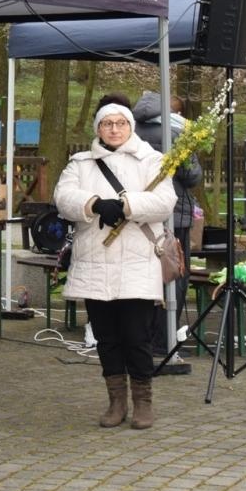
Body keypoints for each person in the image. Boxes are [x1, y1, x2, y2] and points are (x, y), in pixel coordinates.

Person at [54, 101, 176, 429]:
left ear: (130, 126)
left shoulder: (151, 160)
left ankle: (143, 401)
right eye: (107, 123)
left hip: (137, 262)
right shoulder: (80, 163)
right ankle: (116, 401)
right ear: (98, 128)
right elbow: (63, 197)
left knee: (136, 335)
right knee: (106, 337)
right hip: (94, 261)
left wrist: (126, 205)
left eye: (121, 123)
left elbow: (165, 201)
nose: (114, 129)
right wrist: (94, 204)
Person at [133, 88, 202, 373]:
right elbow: (192, 175)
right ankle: (164, 339)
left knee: (143, 274)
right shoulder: (177, 133)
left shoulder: (132, 129)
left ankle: (142, 338)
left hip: (141, 214)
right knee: (173, 274)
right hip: (174, 214)